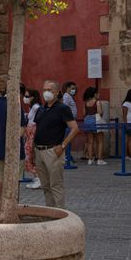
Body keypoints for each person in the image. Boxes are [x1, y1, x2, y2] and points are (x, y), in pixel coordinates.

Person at [32, 80, 80, 208]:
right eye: (44, 90)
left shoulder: (63, 108)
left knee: (56, 186)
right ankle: (50, 213)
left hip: (53, 151)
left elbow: (75, 128)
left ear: (57, 92)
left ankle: (60, 216)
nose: (46, 92)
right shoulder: (41, 109)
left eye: (49, 90)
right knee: (46, 186)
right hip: (39, 151)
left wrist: (63, 145)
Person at [0, 89, 25, 203]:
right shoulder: (16, 106)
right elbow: (21, 130)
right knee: (15, 180)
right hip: (15, 151)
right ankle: (12, 208)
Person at [82, 86, 106, 165]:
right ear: (94, 94)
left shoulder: (85, 102)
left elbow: (84, 114)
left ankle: (90, 159)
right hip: (95, 121)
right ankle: (99, 159)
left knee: (90, 142)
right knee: (100, 141)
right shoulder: (97, 102)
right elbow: (100, 112)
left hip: (87, 121)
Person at [24, 88, 42, 187]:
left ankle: (38, 178)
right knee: (29, 156)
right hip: (30, 133)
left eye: (27, 96)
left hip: (32, 133)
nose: (25, 98)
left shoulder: (36, 107)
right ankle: (36, 178)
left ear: (33, 97)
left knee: (30, 156)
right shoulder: (32, 107)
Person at [61, 81, 80, 162]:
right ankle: (65, 156)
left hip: (70, 120)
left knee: (68, 138)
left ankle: (67, 155)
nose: (74, 90)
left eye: (74, 89)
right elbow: (64, 107)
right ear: (68, 88)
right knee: (67, 138)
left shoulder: (69, 96)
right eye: (72, 88)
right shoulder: (66, 96)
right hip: (68, 121)